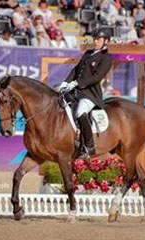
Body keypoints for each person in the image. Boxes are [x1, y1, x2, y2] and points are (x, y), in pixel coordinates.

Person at [58, 28, 113, 159]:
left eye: (98, 39)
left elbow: (97, 77)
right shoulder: (88, 53)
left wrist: (77, 83)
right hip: (75, 91)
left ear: (106, 42)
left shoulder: (106, 58)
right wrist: (66, 82)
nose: (95, 41)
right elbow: (76, 69)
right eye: (94, 39)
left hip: (90, 94)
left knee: (80, 112)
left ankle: (89, 146)